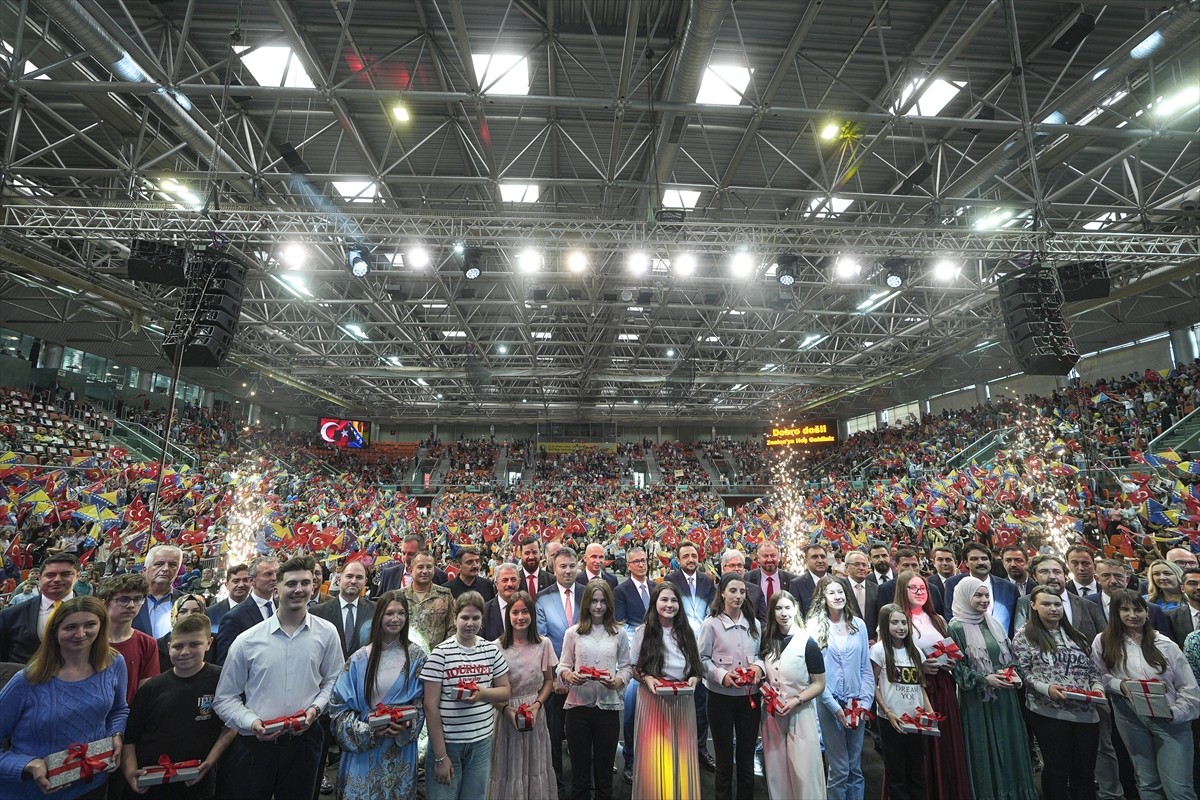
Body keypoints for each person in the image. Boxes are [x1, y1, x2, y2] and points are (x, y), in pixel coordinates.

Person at [212, 554, 344, 800]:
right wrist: (251, 722)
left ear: (313, 586)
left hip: (304, 742)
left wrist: (316, 708)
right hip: (255, 745)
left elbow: (334, 680)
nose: (299, 589)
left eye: (305, 583)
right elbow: (225, 698)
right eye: (291, 584)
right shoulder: (248, 640)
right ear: (277, 588)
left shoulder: (327, 633)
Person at [0, 596, 129, 800]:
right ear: (54, 632)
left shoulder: (113, 663)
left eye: (89, 625)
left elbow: (118, 709)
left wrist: (116, 734)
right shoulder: (27, 681)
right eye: (70, 627)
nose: (80, 634)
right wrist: (29, 764)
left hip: (93, 783)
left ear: (101, 625)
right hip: (32, 792)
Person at [1092, 589, 1200, 800]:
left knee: (1179, 789)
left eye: (1138, 609)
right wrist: (1120, 685)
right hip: (1129, 716)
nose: (1133, 615)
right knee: (1147, 782)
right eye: (1125, 609)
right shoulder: (1103, 641)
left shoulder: (1166, 645)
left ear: (1147, 613)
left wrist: (1174, 713)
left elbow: (1190, 689)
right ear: (1116, 612)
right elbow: (1097, 675)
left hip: (1171, 720)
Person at [121, 613, 237, 800]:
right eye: (178, 646)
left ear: (209, 643)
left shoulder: (221, 680)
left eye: (194, 644)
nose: (184, 652)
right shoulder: (153, 688)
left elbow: (230, 727)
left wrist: (209, 762)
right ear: (169, 647)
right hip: (151, 782)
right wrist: (130, 772)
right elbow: (130, 739)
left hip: (197, 779)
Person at [328, 590, 426, 800]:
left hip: (400, 749)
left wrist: (406, 724)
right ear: (379, 615)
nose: (396, 619)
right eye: (390, 613)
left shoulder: (417, 656)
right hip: (364, 748)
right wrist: (369, 731)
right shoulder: (359, 659)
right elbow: (338, 707)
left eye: (401, 613)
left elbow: (422, 703)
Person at [947, 576, 1037, 800]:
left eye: (986, 595)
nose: (984, 600)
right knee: (984, 750)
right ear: (965, 597)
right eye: (978, 595)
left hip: (1005, 696)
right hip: (977, 700)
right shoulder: (955, 628)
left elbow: (1009, 657)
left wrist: (1012, 673)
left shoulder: (993, 623)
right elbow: (957, 668)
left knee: (1011, 746)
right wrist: (985, 679)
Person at [1012, 586, 1105, 800]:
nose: (1053, 608)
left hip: (1086, 712)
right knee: (1057, 768)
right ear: (1033, 605)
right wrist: (1047, 689)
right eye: (1046, 604)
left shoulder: (1076, 635)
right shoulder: (1025, 636)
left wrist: (1098, 687)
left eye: (1057, 604)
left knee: (1085, 770)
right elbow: (1022, 672)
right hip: (1048, 712)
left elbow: (1092, 670)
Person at [421, 591, 512, 800]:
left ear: (482, 619)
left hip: (481, 742)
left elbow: (505, 691)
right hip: (448, 743)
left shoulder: (491, 650)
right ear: (455, 618)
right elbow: (430, 706)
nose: (470, 623)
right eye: (464, 617)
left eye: (475, 618)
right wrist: (440, 756)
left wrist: (481, 693)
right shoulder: (440, 653)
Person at [893, 570, 973, 800]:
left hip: (944, 687)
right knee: (920, 750)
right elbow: (888, 663)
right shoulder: (897, 621)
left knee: (945, 746)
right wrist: (920, 669)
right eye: (914, 588)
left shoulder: (937, 619)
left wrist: (950, 661)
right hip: (915, 691)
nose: (920, 592)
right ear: (902, 590)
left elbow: (951, 651)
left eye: (923, 588)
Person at [629, 581, 703, 800]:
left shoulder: (687, 632)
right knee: (654, 756)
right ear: (655, 603)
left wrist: (693, 680)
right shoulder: (644, 631)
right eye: (664, 599)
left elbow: (696, 668)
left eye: (673, 600)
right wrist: (649, 679)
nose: (669, 605)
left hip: (682, 701)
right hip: (653, 701)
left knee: (681, 755)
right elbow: (633, 668)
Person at [559, 579, 631, 800]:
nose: (598, 606)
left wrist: (618, 681)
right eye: (594, 601)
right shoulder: (573, 632)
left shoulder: (619, 633)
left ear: (609, 603)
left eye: (602, 602)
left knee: (604, 776)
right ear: (586, 604)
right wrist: (569, 675)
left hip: (607, 709)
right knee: (579, 777)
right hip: (578, 708)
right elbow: (562, 665)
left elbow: (627, 667)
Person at [806, 573, 874, 800]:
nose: (838, 596)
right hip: (829, 703)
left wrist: (865, 703)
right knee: (840, 768)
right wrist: (836, 708)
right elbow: (815, 676)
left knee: (855, 767)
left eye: (841, 592)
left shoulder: (859, 625)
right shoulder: (814, 626)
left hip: (857, 703)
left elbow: (866, 669)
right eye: (832, 592)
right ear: (822, 597)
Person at [698, 572, 762, 800]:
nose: (738, 596)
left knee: (747, 760)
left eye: (742, 591)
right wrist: (722, 675)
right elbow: (702, 659)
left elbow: (761, 655)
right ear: (722, 593)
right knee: (724, 762)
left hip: (749, 699)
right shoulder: (711, 625)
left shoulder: (754, 623)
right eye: (733, 591)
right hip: (720, 700)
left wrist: (758, 669)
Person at [488, 590, 557, 800]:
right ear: (508, 616)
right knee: (507, 769)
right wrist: (506, 710)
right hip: (505, 714)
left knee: (534, 767)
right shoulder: (496, 647)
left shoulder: (544, 644)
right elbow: (491, 689)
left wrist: (537, 704)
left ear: (532, 615)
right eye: (515, 612)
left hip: (534, 712)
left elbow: (548, 681)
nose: (520, 617)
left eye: (525, 612)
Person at [757, 590, 825, 800]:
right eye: (778, 608)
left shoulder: (808, 643)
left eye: (787, 607)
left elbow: (819, 683)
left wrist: (796, 700)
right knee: (777, 773)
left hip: (800, 715)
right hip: (772, 716)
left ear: (795, 610)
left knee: (805, 774)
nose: (783, 613)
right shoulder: (768, 641)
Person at [536, 545, 586, 797]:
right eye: (562, 566)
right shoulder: (543, 597)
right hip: (556, 680)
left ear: (578, 566)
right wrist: (557, 675)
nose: (567, 571)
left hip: (585, 677)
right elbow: (544, 640)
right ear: (553, 569)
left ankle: (582, 781)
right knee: (554, 734)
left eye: (571, 566)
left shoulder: (589, 594)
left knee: (580, 735)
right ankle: (555, 781)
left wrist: (580, 672)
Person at [871, 603, 933, 800]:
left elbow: (919, 685)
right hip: (892, 720)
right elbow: (872, 685)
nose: (901, 627)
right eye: (894, 623)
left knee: (916, 771)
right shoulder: (879, 651)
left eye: (903, 622)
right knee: (897, 775)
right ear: (885, 625)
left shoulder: (914, 651)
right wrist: (887, 712)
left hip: (915, 720)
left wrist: (929, 711)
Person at [665, 541, 717, 771]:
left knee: (700, 703)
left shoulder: (707, 580)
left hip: (702, 647)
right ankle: (676, 749)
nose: (691, 559)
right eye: (685, 555)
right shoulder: (670, 580)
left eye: (694, 555)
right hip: (677, 646)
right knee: (676, 701)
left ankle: (700, 749)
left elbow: (713, 608)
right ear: (678, 559)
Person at [614, 546, 653, 783]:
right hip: (633, 659)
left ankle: (650, 757)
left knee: (654, 713)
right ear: (628, 565)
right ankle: (629, 759)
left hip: (657, 659)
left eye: (643, 560)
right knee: (631, 714)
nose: (641, 564)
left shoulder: (657, 587)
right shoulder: (621, 590)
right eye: (636, 561)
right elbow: (621, 624)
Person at [0, 552, 78, 663]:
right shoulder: (10, 615)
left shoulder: (93, 613)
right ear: (40, 578)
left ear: (77, 576)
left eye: (65, 574)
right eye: (50, 575)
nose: (57, 579)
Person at [98, 574, 160, 706]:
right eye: (123, 599)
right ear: (105, 602)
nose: (131, 605)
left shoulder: (148, 643)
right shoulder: (89, 639)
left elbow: (146, 691)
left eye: (138, 599)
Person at [210, 555, 278, 665]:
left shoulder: (284, 608)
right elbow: (226, 662)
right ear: (252, 580)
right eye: (268, 574)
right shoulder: (234, 617)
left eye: (277, 573)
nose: (274, 578)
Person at [401, 551, 453, 653]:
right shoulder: (399, 597)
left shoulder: (445, 596)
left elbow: (453, 628)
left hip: (436, 659)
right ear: (411, 570)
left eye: (429, 567)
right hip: (404, 658)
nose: (425, 571)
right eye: (420, 567)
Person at [131, 546, 182, 639]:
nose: (166, 569)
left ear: (178, 571)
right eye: (159, 564)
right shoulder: (128, 600)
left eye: (172, 565)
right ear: (145, 570)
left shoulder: (186, 602)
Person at [156, 594, 208, 672]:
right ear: (175, 615)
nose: (189, 615)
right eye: (183, 611)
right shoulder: (159, 645)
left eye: (196, 611)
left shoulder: (215, 642)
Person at [205, 564, 250, 635]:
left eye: (245, 580)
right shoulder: (211, 612)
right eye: (236, 581)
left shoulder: (259, 609)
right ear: (226, 585)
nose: (241, 585)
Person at [482, 563, 521, 641]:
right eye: (504, 580)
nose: (509, 584)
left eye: (513, 579)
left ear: (519, 582)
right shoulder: (485, 611)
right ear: (496, 584)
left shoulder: (527, 608)